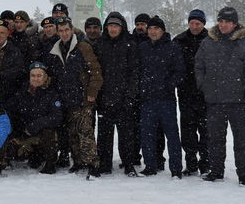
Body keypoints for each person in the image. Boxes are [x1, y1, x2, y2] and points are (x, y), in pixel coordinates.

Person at [195, 7, 245, 187]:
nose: (223, 25)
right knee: (215, 139)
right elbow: (199, 66)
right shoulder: (208, 42)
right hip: (214, 100)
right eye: (221, 21)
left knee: (242, 140)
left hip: (238, 101)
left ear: (235, 24)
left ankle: (243, 174)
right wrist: (204, 85)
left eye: (227, 22)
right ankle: (216, 171)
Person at [45, 16, 103, 179]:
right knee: (72, 134)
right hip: (65, 98)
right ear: (57, 32)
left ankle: (93, 164)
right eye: (61, 31)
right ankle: (78, 161)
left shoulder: (82, 46)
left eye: (66, 30)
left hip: (82, 98)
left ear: (72, 30)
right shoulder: (56, 49)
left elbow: (96, 71)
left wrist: (91, 93)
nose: (64, 33)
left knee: (85, 133)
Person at [136, 16, 185, 178]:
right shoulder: (142, 48)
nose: (153, 31)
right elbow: (137, 71)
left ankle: (176, 169)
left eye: (156, 28)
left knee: (172, 135)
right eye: (150, 28)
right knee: (147, 134)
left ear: (162, 31)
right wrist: (141, 87)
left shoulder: (172, 47)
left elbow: (180, 71)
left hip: (166, 99)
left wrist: (168, 85)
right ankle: (150, 166)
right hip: (147, 99)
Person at [93, 12, 139, 176]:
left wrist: (130, 96)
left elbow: (134, 73)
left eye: (116, 26)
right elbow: (95, 72)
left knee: (126, 135)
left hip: (124, 98)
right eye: (110, 26)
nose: (113, 29)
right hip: (104, 98)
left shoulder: (130, 44)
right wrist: (98, 95)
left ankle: (128, 164)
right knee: (104, 135)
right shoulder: (100, 44)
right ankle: (104, 164)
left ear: (122, 28)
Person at [5, 62, 63, 174]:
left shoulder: (52, 94)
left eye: (39, 75)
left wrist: (36, 125)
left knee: (49, 132)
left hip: (42, 136)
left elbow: (57, 117)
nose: (35, 79)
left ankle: (50, 163)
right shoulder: (22, 92)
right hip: (25, 134)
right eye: (33, 75)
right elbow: (10, 108)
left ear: (45, 77)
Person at [172, 9, 209, 176]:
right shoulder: (179, 40)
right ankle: (191, 163)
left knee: (206, 131)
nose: (194, 26)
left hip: (206, 94)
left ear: (203, 24)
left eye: (198, 23)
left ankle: (206, 163)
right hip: (186, 92)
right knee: (188, 131)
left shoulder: (211, 40)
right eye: (192, 23)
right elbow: (172, 64)